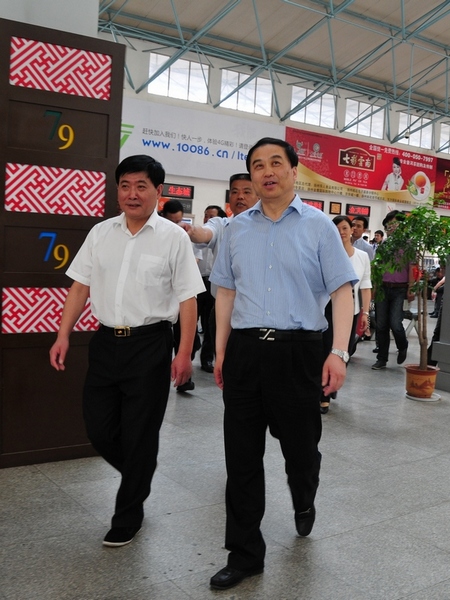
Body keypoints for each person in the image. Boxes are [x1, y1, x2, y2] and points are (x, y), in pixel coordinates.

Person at [208, 138, 357, 590]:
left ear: (294, 171)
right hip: (246, 351)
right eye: (258, 165)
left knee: (301, 450)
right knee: (241, 457)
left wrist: (339, 352)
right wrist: (220, 350)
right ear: (251, 176)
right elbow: (225, 292)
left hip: (299, 352)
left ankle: (304, 495)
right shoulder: (235, 229)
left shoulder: (319, 226)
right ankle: (245, 554)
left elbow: (342, 291)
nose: (267, 171)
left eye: (276, 163)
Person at [49, 155, 205, 547]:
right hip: (105, 342)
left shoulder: (173, 238)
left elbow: (188, 299)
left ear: (158, 191)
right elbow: (80, 287)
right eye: (125, 186)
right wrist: (63, 334)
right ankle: (140, 470)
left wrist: (184, 354)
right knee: (99, 428)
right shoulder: (101, 232)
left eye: (141, 186)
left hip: (150, 343)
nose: (132, 194)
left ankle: (128, 514)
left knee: (140, 431)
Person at [183, 173, 259, 354]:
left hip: (255, 314)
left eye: (246, 192)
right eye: (235, 192)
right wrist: (192, 231)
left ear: (258, 196)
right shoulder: (221, 225)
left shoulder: (270, 230)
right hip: (223, 311)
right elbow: (205, 233)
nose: (240, 196)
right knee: (224, 362)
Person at [320, 216, 372, 413]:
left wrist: (365, 313)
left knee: (345, 352)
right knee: (326, 349)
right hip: (326, 310)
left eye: (344, 228)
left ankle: (331, 384)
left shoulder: (362, 256)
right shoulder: (325, 254)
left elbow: (365, 286)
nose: (341, 232)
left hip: (351, 311)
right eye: (336, 228)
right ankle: (323, 396)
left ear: (352, 231)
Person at [161, 199, 202, 391]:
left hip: (182, 297)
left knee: (185, 337)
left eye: (179, 221)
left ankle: (184, 378)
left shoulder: (183, 236)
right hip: (163, 304)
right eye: (172, 221)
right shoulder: (157, 235)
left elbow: (195, 260)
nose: (176, 225)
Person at [372, 210, 414, 370]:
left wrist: (411, 288)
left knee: (395, 323)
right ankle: (381, 358)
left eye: (395, 223)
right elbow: (377, 268)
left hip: (400, 289)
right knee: (381, 325)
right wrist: (375, 288)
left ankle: (402, 346)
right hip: (383, 288)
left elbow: (412, 268)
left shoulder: (409, 245)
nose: (391, 226)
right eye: (388, 224)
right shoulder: (383, 245)